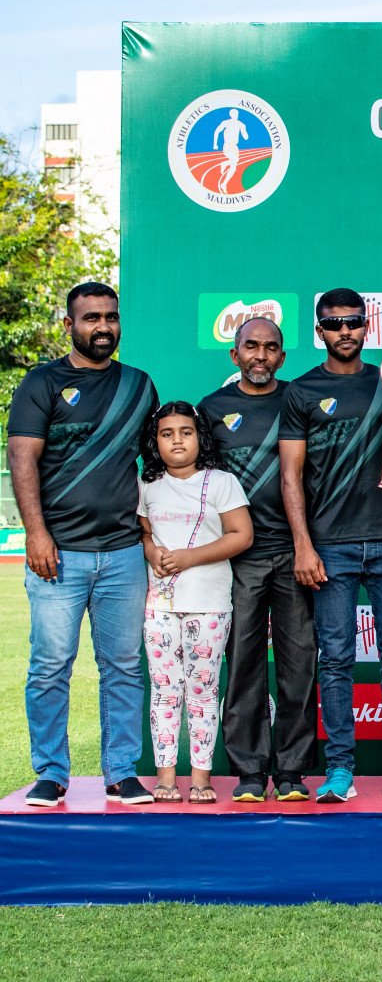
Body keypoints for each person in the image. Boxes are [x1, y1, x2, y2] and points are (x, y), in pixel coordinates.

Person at [9, 282, 159, 807]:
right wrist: (36, 532)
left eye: (111, 317)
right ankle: (51, 773)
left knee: (123, 665)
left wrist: (149, 536)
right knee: (51, 665)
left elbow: (157, 467)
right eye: (91, 317)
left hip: (122, 554)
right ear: (68, 325)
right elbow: (22, 458)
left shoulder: (139, 386)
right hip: (59, 553)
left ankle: (121, 772)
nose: (103, 327)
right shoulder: (42, 382)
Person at [279, 288, 382, 803]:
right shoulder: (299, 392)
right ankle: (339, 770)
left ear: (367, 327)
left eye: (354, 322)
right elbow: (291, 477)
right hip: (330, 546)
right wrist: (303, 544)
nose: (345, 331)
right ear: (319, 330)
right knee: (336, 660)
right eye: (334, 323)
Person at [199, 317, 319, 802]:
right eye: (251, 346)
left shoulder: (299, 399)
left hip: (294, 553)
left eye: (271, 348)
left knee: (298, 666)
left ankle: (291, 772)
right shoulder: (211, 409)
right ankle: (249, 771)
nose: (261, 356)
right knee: (243, 665)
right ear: (235, 355)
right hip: (238, 559)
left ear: (282, 357)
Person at [137, 402, 253, 803]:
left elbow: (241, 535)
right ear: (155, 442)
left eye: (185, 432)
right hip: (160, 605)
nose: (177, 440)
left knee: (202, 693)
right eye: (167, 434)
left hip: (209, 604)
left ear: (200, 437)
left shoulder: (221, 482)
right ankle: (166, 777)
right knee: (165, 691)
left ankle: (201, 778)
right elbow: (144, 533)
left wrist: (188, 558)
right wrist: (152, 551)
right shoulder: (147, 485)